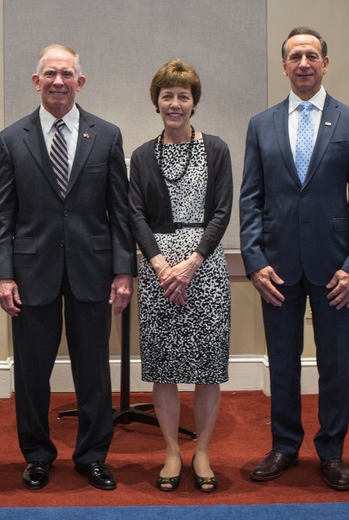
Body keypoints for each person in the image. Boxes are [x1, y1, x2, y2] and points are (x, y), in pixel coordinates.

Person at [0, 44, 136, 492]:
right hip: (32, 273)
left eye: (67, 73)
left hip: (93, 271)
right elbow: (2, 215)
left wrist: (124, 270)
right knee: (32, 373)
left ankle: (92, 456)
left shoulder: (107, 135)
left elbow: (119, 211)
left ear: (80, 81)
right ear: (36, 81)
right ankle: (37, 456)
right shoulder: (12, 138)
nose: (58, 81)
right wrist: (3, 274)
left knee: (93, 370)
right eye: (50, 74)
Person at [240, 27, 349, 491]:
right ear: (284, 66)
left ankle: (332, 452)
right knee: (282, 361)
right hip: (276, 267)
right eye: (295, 55)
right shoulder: (261, 124)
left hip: (335, 266)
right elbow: (250, 198)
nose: (303, 63)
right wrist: (255, 262)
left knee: (334, 362)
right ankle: (284, 445)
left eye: (312, 55)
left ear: (325, 63)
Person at [128, 60, 233, 493]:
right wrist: (159, 264)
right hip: (157, 268)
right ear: (157, 102)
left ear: (194, 103)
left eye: (183, 96)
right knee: (164, 366)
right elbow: (133, 213)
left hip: (204, 267)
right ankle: (172, 450)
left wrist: (192, 262)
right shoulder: (140, 155)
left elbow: (223, 209)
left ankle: (203, 451)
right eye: (168, 95)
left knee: (207, 366)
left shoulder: (218, 149)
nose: (175, 103)